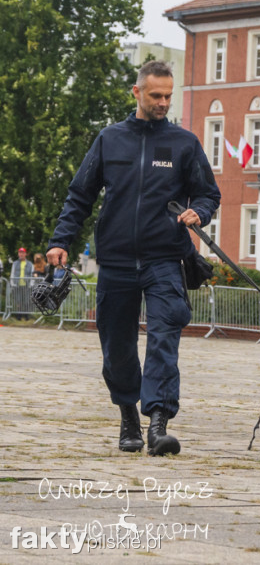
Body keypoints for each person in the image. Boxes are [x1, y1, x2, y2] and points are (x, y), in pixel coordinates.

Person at [46, 60, 221, 456]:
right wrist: (61, 241)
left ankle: (158, 423)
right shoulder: (110, 139)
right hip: (117, 261)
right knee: (117, 347)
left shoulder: (184, 143)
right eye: (156, 95)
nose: (163, 102)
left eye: (168, 96)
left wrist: (200, 213)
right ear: (137, 92)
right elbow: (80, 195)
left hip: (165, 259)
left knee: (163, 337)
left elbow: (209, 193)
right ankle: (129, 417)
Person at [9, 247, 33, 318]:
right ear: (18, 254)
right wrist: (12, 283)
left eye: (22, 253)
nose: (21, 254)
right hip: (17, 284)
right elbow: (12, 273)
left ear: (25, 254)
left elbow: (32, 274)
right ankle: (18, 315)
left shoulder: (30, 264)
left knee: (26, 300)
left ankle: (26, 316)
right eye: (20, 253)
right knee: (18, 300)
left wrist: (31, 284)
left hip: (27, 285)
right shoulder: (15, 263)